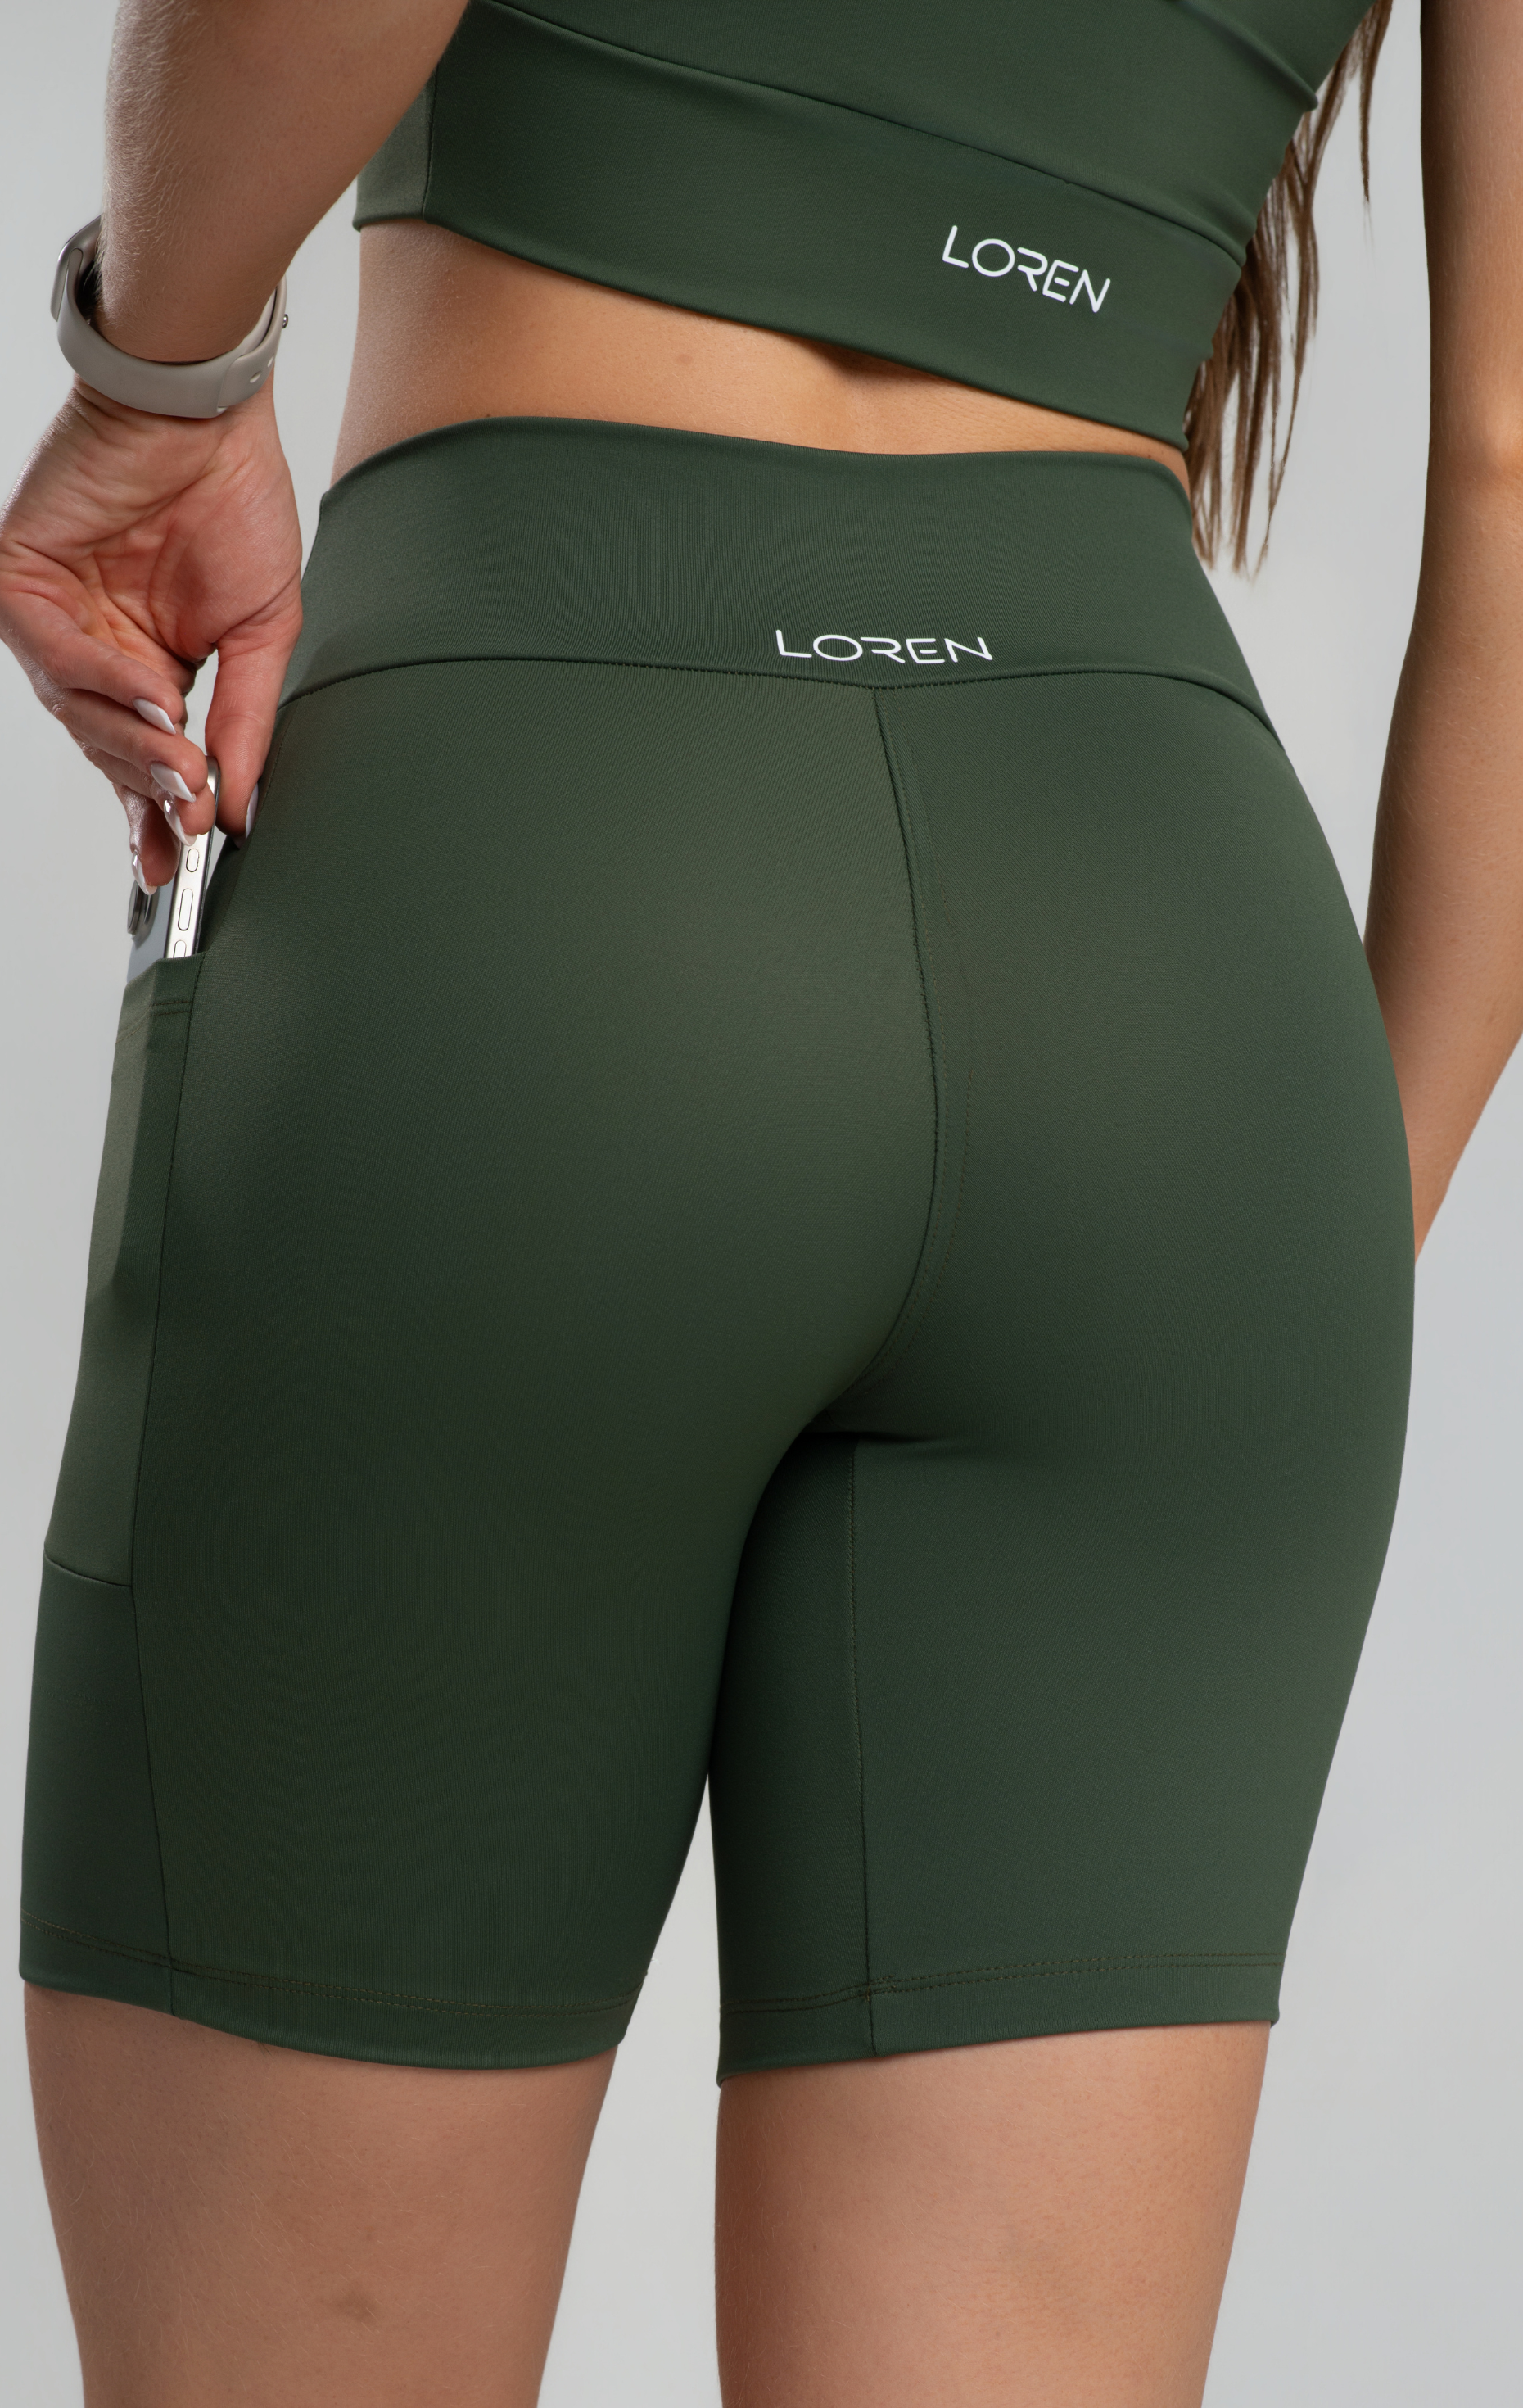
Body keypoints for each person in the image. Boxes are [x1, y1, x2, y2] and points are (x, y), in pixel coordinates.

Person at [2, 0, 1519, 2400]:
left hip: (534, 866)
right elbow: (1516, 468)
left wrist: (154, 378)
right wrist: (1290, 1260)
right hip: (1166, 995)